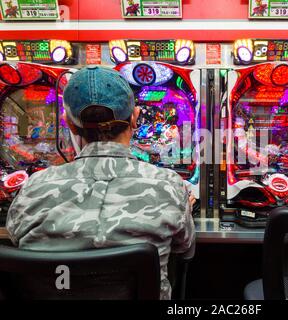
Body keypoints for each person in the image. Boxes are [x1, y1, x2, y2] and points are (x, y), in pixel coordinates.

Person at [6, 66, 196, 300]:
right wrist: (182, 207)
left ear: (70, 123)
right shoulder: (168, 186)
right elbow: (185, 249)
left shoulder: (33, 188)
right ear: (135, 118)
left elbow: (15, 239)